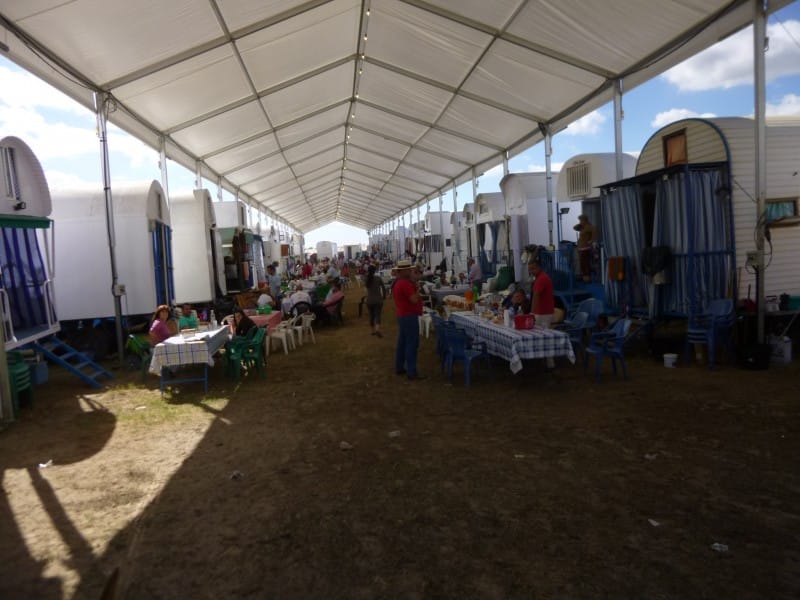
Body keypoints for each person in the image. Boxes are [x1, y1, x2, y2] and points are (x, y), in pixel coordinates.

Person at [393, 260, 424, 380]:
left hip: (402, 315)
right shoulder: (404, 284)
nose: (411, 271)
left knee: (403, 343)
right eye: (409, 269)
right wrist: (418, 291)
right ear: (403, 271)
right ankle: (411, 371)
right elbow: (414, 300)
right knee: (412, 343)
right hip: (409, 315)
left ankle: (399, 367)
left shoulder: (399, 282)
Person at [528, 256, 556, 371]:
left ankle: (549, 363)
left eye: (533, 268)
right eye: (530, 269)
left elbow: (536, 296)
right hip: (544, 312)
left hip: (543, 313)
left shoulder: (541, 279)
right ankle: (546, 361)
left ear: (539, 267)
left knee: (543, 338)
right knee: (543, 338)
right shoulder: (541, 278)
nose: (531, 271)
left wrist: (532, 313)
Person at [574, 214, 598, 283]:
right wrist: (580, 225)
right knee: (582, 264)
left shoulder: (589, 227)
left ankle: (588, 279)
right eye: (580, 220)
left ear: (585, 220)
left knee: (586, 263)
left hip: (586, 248)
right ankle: (585, 278)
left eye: (581, 220)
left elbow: (595, 233)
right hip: (581, 248)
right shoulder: (582, 227)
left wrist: (590, 241)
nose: (580, 221)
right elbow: (575, 228)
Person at [364, 264, 386, 338]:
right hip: (378, 299)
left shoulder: (366, 279)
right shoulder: (378, 278)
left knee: (371, 315)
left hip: (369, 300)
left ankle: (372, 330)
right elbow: (383, 288)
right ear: (375, 271)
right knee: (378, 315)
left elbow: (366, 289)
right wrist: (384, 296)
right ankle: (377, 329)